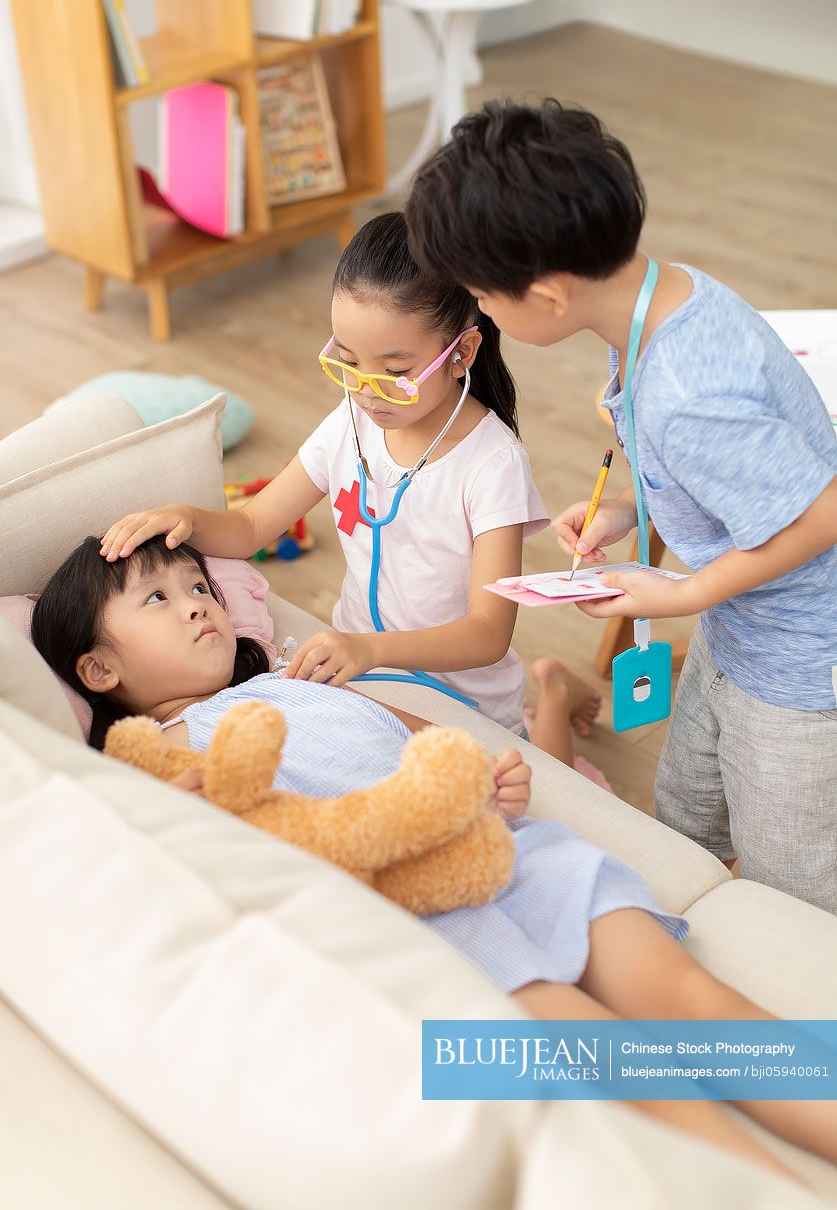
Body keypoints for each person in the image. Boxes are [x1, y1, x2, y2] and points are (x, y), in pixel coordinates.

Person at [30, 535, 837, 1181]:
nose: (198, 605)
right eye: (159, 598)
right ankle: (769, 1188)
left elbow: (427, 746)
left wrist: (493, 779)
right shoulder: (161, 758)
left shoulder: (296, 682)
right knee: (611, 1063)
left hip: (512, 857)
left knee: (691, 997)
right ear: (100, 670)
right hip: (424, 923)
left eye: (199, 586)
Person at [404, 97, 837, 913]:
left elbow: (820, 513)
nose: (482, 314)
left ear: (545, 296)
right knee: (684, 814)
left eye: (483, 300)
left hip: (800, 667)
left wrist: (683, 593)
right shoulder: (667, 295)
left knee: (794, 881)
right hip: (740, 630)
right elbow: (727, 470)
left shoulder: (685, 390)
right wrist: (631, 510)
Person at [100, 210, 603, 775]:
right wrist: (185, 516)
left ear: (461, 354)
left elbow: (488, 634)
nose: (365, 392)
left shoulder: (492, 463)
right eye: (348, 363)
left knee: (541, 789)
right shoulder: (351, 422)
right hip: (360, 672)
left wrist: (369, 650)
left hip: (460, 689)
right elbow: (249, 528)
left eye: (393, 370)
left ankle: (553, 693)